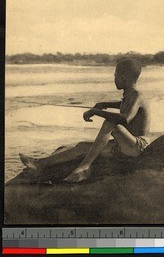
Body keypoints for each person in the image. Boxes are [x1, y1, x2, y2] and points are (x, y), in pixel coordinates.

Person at [20, 58, 150, 183]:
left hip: (137, 146)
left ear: (123, 78)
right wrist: (102, 104)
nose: (114, 79)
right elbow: (122, 105)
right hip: (123, 145)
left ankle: (85, 167)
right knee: (82, 146)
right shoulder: (129, 95)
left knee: (110, 123)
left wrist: (96, 112)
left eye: (115, 76)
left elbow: (126, 119)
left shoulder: (138, 96)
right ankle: (39, 163)